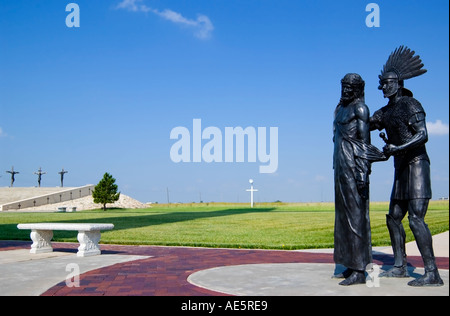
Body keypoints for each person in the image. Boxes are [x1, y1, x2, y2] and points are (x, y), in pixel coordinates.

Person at [370, 46, 443, 286]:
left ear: (398, 83)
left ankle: (432, 272)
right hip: (401, 168)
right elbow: (367, 124)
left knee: (416, 219)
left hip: (417, 165)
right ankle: (400, 266)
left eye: (387, 83)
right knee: (393, 217)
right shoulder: (386, 112)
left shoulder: (411, 104)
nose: (383, 87)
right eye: (381, 83)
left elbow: (422, 135)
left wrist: (397, 149)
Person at [333, 73, 386, 286]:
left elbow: (365, 142)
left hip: (354, 168)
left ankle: (360, 269)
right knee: (343, 217)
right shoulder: (339, 109)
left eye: (349, 87)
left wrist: (363, 172)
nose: (345, 91)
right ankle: (348, 262)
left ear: (357, 89)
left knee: (356, 217)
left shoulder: (360, 109)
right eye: (343, 86)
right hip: (340, 167)